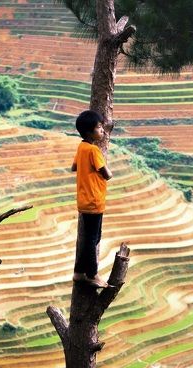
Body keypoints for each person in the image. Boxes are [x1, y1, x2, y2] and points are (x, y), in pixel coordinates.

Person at [70, 110, 113, 288]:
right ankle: (92, 274)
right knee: (92, 239)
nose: (102, 130)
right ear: (89, 132)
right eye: (99, 127)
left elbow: (74, 167)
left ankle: (79, 272)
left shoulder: (81, 148)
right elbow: (107, 174)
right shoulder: (94, 150)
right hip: (94, 201)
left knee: (89, 238)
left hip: (84, 200)